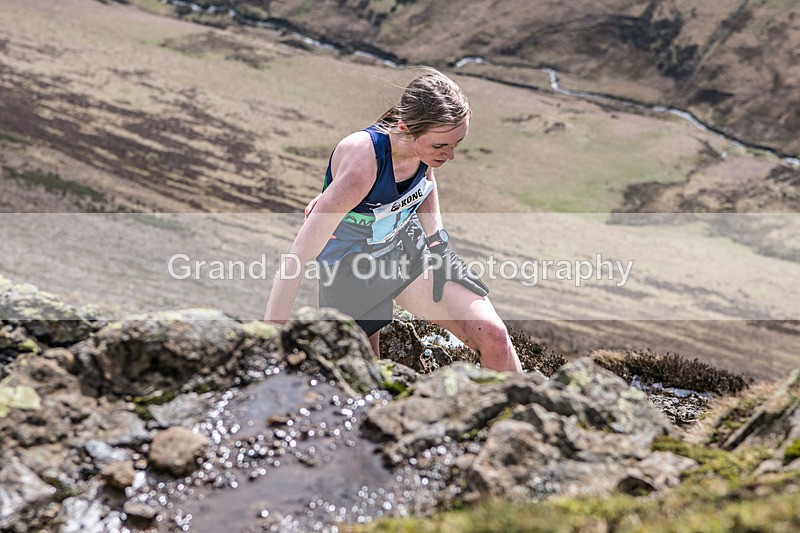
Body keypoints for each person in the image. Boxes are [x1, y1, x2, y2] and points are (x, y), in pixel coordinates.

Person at [264, 68, 522, 373]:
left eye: (457, 143)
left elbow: (426, 181)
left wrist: (439, 244)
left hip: (404, 251)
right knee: (368, 380)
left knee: (496, 337)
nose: (450, 155)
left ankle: (531, 413)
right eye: (441, 145)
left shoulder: (420, 148)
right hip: (352, 270)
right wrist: (268, 344)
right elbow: (297, 260)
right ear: (405, 128)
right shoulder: (363, 167)